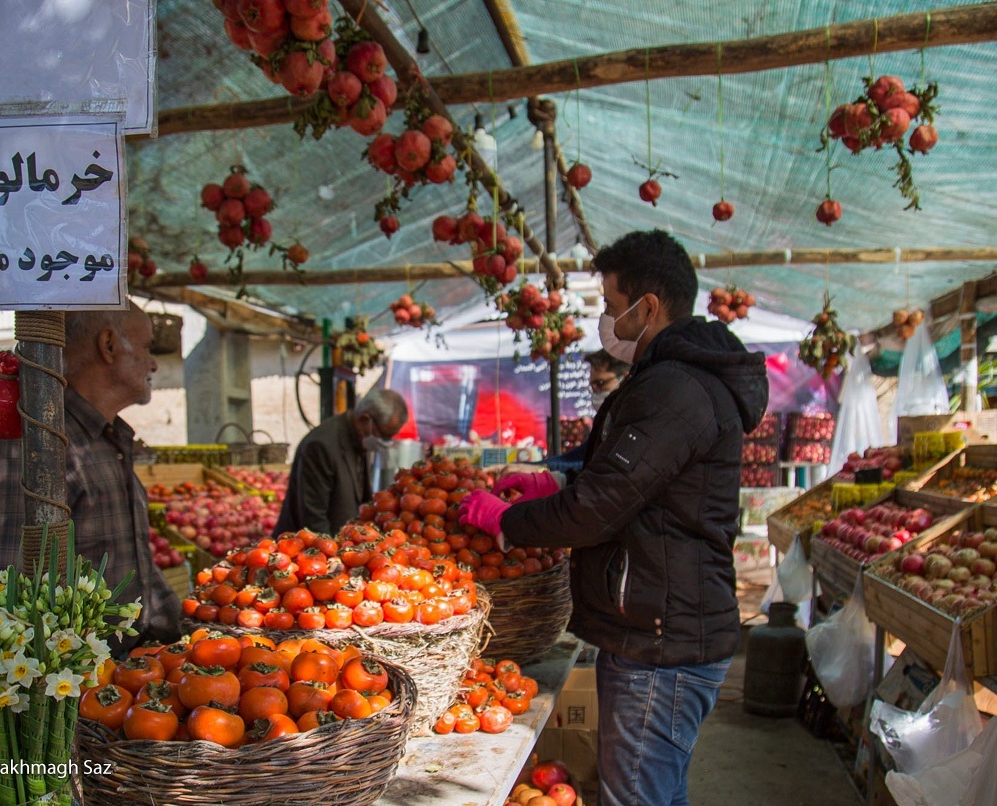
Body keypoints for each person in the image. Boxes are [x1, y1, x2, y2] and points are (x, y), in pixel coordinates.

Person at [459, 230, 769, 806]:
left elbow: (601, 508)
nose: (606, 319)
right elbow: (635, 483)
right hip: (665, 625)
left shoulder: (676, 387)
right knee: (656, 793)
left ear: (647, 307)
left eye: (609, 303)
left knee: (636, 798)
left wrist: (507, 522)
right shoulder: (673, 379)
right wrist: (555, 480)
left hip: (660, 640)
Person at [0, 301, 181, 651]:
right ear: (109, 345)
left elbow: (135, 571)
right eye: (146, 347)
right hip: (73, 689)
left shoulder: (106, 440)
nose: (153, 362)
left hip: (129, 679)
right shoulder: (33, 445)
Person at [272, 389, 408, 536]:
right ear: (364, 419)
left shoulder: (361, 439)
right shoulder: (321, 446)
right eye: (384, 435)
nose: (385, 442)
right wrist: (334, 555)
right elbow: (313, 519)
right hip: (304, 548)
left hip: (343, 542)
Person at [544, 349, 632, 474]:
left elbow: (593, 467)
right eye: (592, 386)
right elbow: (575, 459)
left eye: (600, 384)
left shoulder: (634, 421)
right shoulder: (605, 421)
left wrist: (543, 470)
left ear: (625, 378)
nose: (595, 391)